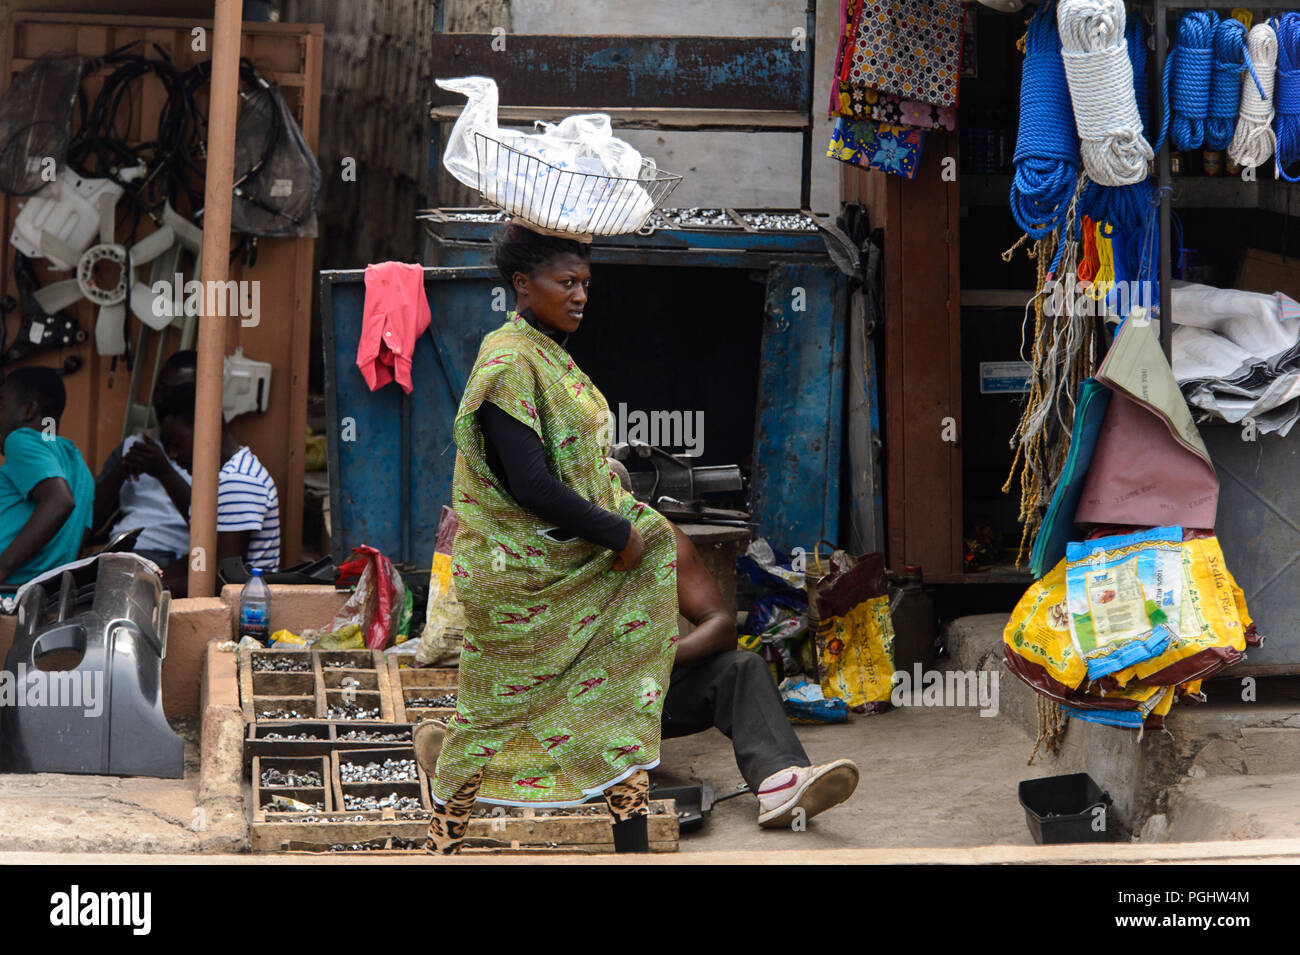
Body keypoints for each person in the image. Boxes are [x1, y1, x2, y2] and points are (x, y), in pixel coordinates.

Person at [418, 221, 678, 855]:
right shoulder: (508, 361)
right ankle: (442, 839)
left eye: (586, 283)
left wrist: (602, 471)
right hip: (524, 575)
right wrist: (618, 531)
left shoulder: (545, 352)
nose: (581, 295)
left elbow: (560, 457)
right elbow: (530, 483)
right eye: (567, 283)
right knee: (491, 715)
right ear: (522, 285)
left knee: (615, 701)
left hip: (570, 567)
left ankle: (632, 846)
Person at [666, 523, 859, 828]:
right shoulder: (564, 547)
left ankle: (781, 782)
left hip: (645, 694)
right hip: (569, 703)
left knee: (743, 667)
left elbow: (720, 625)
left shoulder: (657, 536)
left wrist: (656, 659)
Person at [155, 381, 281, 573]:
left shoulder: (236, 481)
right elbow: (202, 557)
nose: (172, 455)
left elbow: (224, 578)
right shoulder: (225, 474)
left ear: (206, 431)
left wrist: (153, 587)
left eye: (177, 444)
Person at [92, 350, 197, 569]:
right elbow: (91, 521)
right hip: (122, 551)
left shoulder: (207, 454)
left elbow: (208, 527)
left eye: (174, 393)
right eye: (160, 389)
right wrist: (121, 472)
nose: (162, 400)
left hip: (174, 556)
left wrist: (164, 471)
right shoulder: (132, 446)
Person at [0, 366, 94, 585]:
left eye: (1, 403)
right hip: (38, 599)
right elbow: (82, 532)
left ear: (29, 411)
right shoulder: (80, 467)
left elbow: (60, 501)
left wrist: (3, 568)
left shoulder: (21, 440)